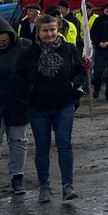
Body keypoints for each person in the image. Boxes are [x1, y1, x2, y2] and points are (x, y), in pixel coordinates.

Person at [17, 14, 87, 203]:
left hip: (64, 105)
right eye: (45, 31)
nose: (49, 34)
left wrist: (73, 84)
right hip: (38, 108)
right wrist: (30, 90)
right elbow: (19, 78)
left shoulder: (69, 49)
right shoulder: (29, 53)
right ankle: (44, 187)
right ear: (38, 32)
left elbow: (81, 71)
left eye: (53, 30)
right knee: (42, 147)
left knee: (64, 143)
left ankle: (68, 186)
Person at [0, 19, 31, 194]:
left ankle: (17, 177)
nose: (1, 44)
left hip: (17, 103)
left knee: (18, 141)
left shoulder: (24, 47)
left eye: (4, 41)